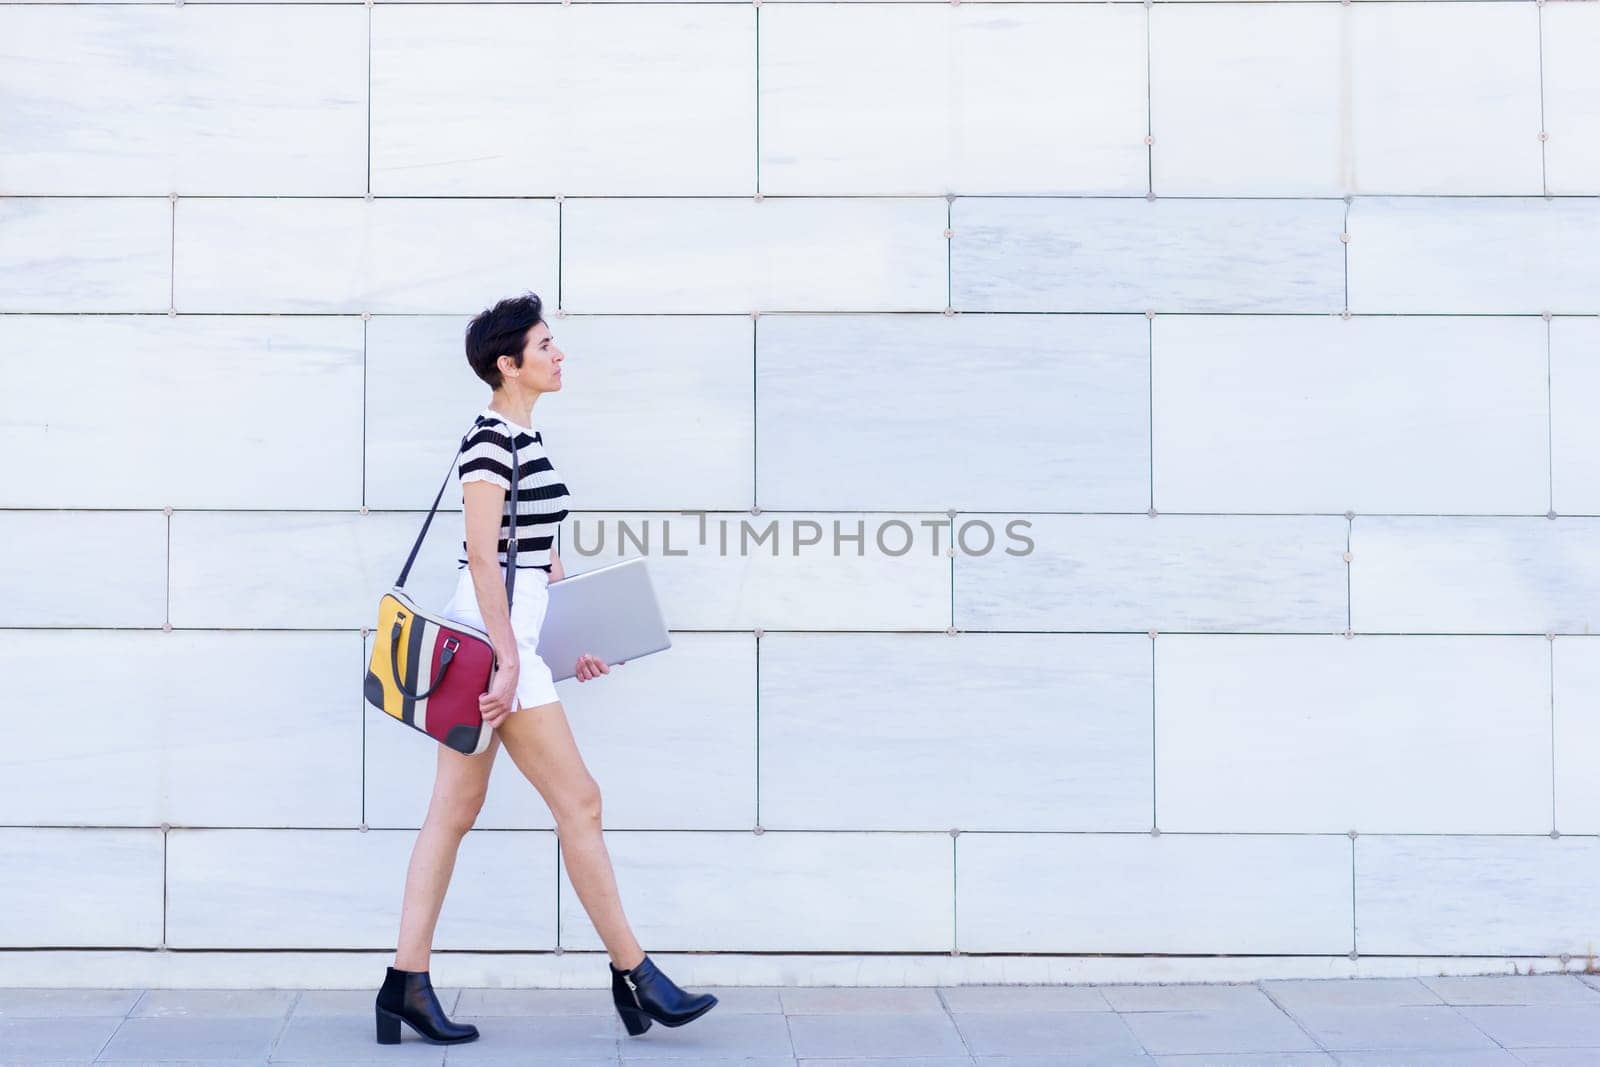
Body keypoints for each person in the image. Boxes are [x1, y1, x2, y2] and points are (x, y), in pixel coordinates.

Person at [374, 291, 718, 1046]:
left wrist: (573, 639)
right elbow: (484, 561)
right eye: (544, 345)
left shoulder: (526, 438)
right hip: (494, 638)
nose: (559, 354)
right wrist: (506, 659)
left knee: (451, 813)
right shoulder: (489, 442)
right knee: (581, 801)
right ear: (508, 363)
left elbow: (536, 560)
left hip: (517, 639)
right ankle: (636, 973)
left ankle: (405, 983)